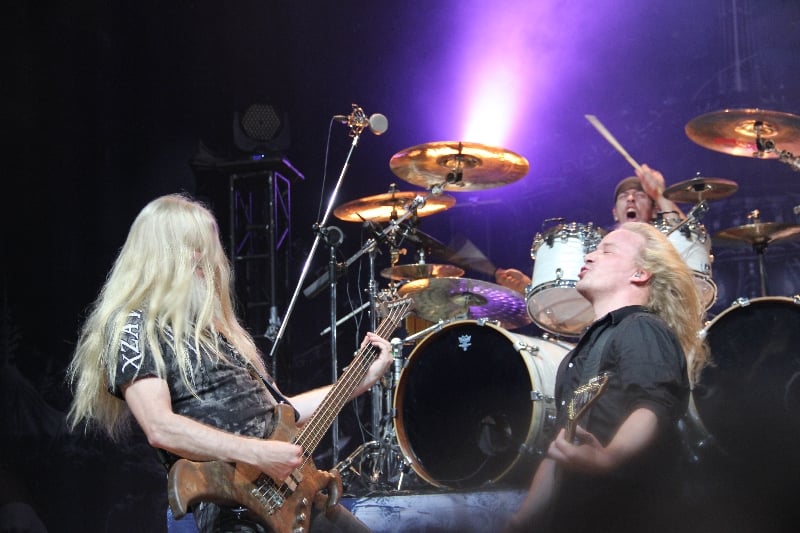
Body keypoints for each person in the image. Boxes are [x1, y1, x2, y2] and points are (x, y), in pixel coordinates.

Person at [66, 193, 394, 533]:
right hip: (236, 505)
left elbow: (285, 411)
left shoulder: (217, 332)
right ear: (160, 253)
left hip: (293, 497)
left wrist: (363, 379)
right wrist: (257, 453)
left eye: (209, 248)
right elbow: (160, 427)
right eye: (195, 248)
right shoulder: (134, 325)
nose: (208, 260)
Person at [504, 222, 708, 533]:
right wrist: (518, 523)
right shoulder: (580, 353)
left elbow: (652, 405)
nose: (589, 256)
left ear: (640, 273)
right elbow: (559, 450)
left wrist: (610, 457)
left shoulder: (641, 327)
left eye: (607, 251)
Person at [495, 164, 684, 293]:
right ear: (614, 213)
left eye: (640, 196)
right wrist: (528, 287)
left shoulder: (665, 243)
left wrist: (659, 194)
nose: (630, 199)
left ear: (655, 210)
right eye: (623, 196)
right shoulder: (598, 251)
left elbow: (688, 236)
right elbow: (574, 302)